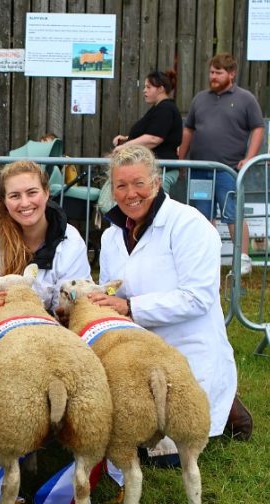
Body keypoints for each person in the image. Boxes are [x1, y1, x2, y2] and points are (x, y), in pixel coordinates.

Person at [93, 144, 252, 445]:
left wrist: (129, 307)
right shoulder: (111, 235)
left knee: (166, 453)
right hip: (138, 353)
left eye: (139, 183)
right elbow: (108, 288)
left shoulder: (189, 225)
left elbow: (197, 297)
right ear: (112, 191)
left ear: (155, 182)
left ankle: (228, 407)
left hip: (188, 347)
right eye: (121, 186)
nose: (131, 194)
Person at [0, 160, 92, 341]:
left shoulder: (70, 239)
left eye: (32, 193)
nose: (25, 203)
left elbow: (71, 304)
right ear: (4, 200)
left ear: (46, 193)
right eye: (15, 196)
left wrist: (64, 311)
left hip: (45, 329)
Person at [178, 52, 265, 276]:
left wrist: (250, 156)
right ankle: (207, 260)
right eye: (211, 72)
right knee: (202, 216)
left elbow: (258, 128)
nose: (213, 76)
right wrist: (181, 158)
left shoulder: (246, 99)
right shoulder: (200, 99)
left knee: (233, 214)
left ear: (232, 74)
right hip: (200, 170)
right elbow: (189, 129)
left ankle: (242, 259)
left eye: (219, 72)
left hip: (228, 169)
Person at [111, 69, 182, 192]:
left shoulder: (165, 109)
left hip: (161, 171)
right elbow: (152, 132)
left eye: (149, 87)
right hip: (153, 169)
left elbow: (154, 138)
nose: (144, 91)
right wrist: (127, 138)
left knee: (156, 207)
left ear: (160, 89)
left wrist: (126, 147)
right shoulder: (158, 108)